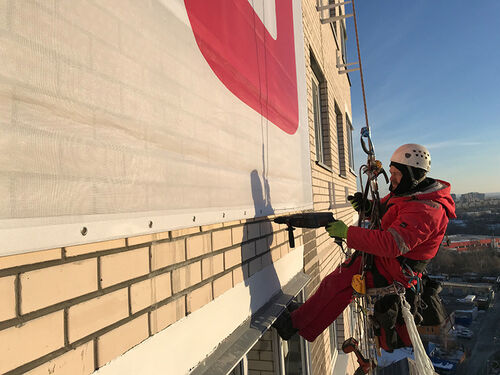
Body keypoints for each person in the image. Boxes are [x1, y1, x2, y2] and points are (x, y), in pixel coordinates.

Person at [273, 143, 456, 343]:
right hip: (386, 261)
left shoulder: (427, 210)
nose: (392, 179)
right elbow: (388, 210)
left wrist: (347, 233)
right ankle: (304, 319)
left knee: (335, 284)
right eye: (392, 172)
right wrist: (367, 207)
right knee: (337, 287)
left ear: (411, 174)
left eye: (396, 173)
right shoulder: (410, 193)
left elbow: (391, 244)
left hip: (394, 268)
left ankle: (293, 324)